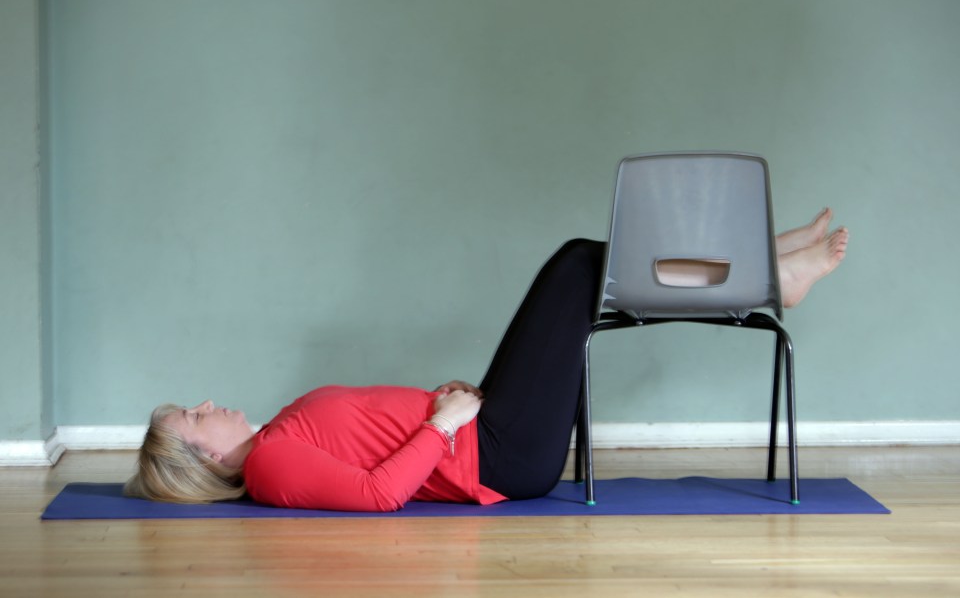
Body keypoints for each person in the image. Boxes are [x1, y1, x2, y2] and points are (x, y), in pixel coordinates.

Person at [125, 210, 848, 511]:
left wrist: (441, 407)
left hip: (484, 431)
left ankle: (765, 268)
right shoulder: (268, 465)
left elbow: (374, 436)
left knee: (581, 265)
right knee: (576, 266)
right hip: (498, 454)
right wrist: (442, 426)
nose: (210, 402)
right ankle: (766, 276)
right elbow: (378, 497)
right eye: (196, 414)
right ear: (203, 459)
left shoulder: (276, 434)